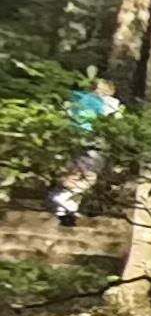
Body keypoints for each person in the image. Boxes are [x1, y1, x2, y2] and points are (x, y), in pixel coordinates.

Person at [48, 78, 118, 225]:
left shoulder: (79, 99)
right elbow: (113, 121)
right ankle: (64, 198)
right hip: (93, 141)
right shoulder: (108, 103)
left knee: (75, 174)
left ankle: (67, 210)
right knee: (90, 177)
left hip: (74, 138)